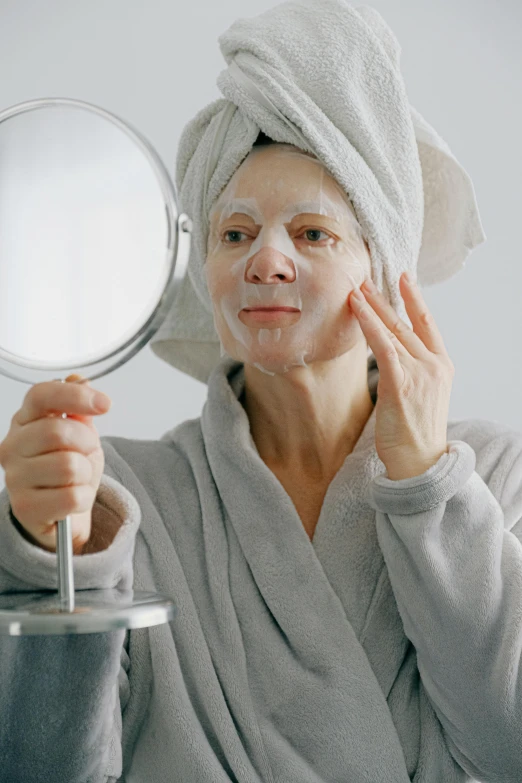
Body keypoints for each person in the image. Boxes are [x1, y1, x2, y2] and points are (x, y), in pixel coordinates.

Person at [1, 4, 522, 783]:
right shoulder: (117, 497)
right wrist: (53, 558)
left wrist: (426, 487)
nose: (264, 260)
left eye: (312, 233)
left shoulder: (488, 471)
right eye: (234, 234)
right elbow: (46, 772)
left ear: (380, 271)